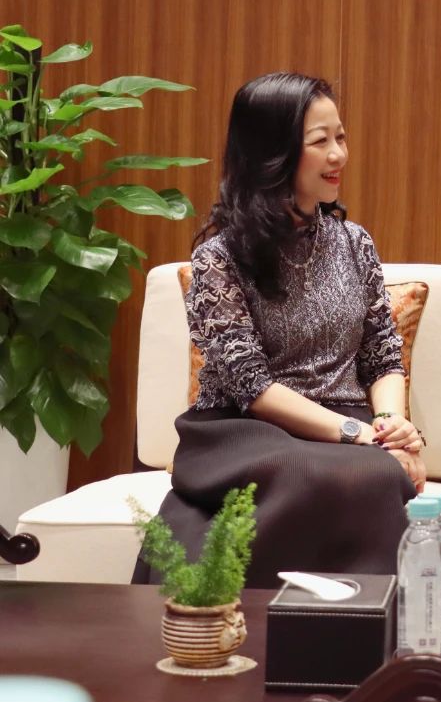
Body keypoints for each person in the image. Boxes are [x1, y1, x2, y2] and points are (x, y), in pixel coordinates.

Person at [136, 72, 426, 588]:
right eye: (320, 141)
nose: (338, 154)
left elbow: (382, 356)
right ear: (272, 153)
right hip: (243, 432)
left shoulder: (355, 243)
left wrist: (390, 427)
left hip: (345, 427)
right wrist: (357, 436)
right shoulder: (218, 258)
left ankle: (353, 625)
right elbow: (252, 387)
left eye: (341, 137)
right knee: (326, 469)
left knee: (373, 470)